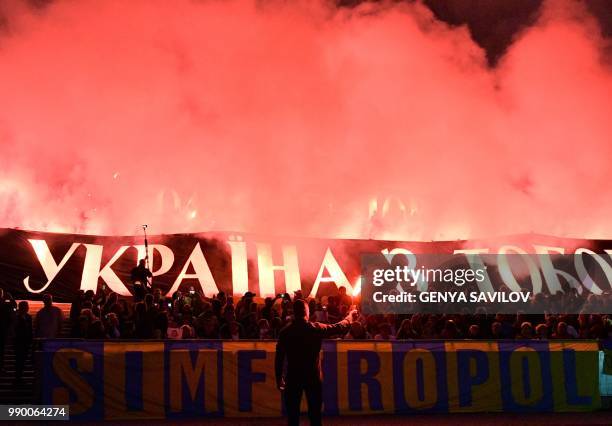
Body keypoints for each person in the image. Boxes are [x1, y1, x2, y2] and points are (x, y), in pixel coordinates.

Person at [275, 299, 357, 426]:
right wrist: (350, 317)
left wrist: (278, 377)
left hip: (293, 377)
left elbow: (279, 358)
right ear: (307, 312)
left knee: (292, 417)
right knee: (315, 416)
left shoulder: (285, 332)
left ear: (294, 313)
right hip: (312, 377)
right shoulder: (315, 328)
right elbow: (338, 328)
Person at [14, 301, 32, 386]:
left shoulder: (28, 317)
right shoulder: (16, 317)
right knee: (19, 361)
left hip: (25, 342)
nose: (28, 308)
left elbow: (30, 330)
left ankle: (19, 378)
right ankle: (18, 378)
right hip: (19, 342)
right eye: (26, 306)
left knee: (22, 361)